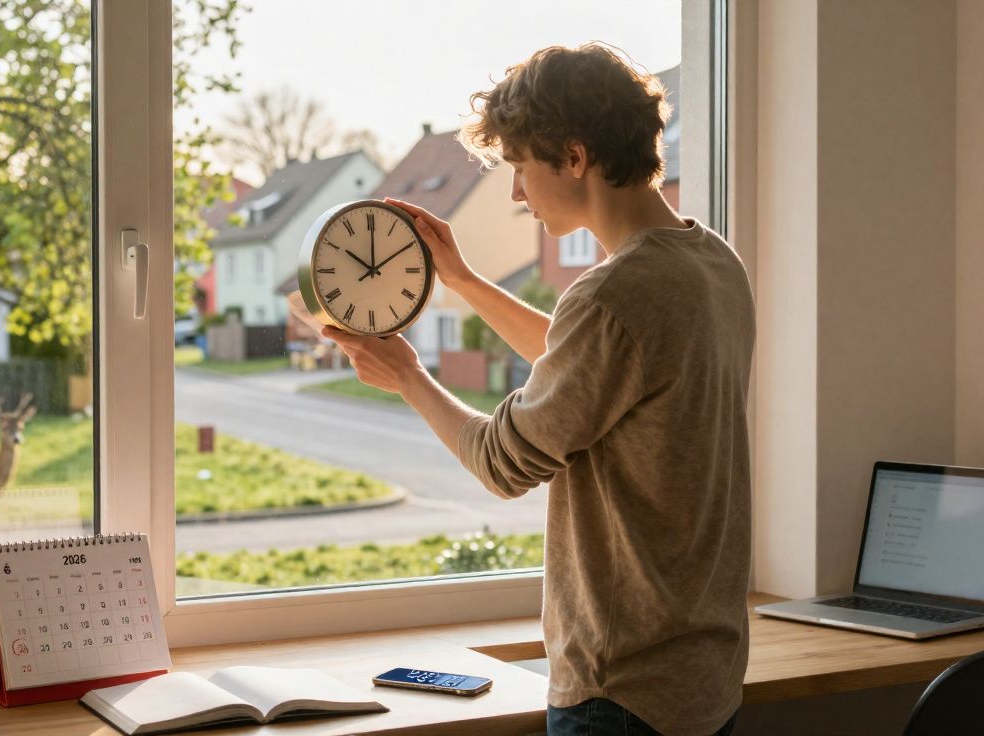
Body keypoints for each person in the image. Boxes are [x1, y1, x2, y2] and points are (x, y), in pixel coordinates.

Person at [317, 42, 754, 736]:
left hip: (622, 692)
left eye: (520, 167)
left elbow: (501, 461)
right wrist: (462, 278)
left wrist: (407, 376)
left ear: (574, 158)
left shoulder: (612, 295)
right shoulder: (712, 262)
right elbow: (595, 366)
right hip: (706, 679)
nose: (516, 193)